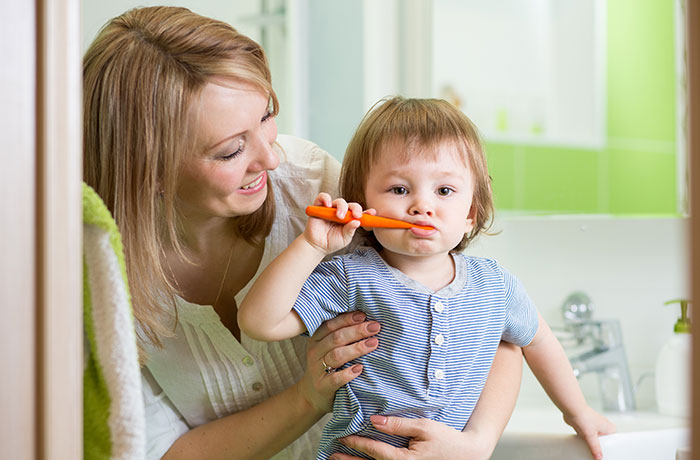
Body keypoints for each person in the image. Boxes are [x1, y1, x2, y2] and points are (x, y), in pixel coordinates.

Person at [83, 7, 525, 460]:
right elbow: (157, 451)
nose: (270, 159)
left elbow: (492, 318)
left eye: (266, 116)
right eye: (231, 151)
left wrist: (476, 443)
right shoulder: (96, 271)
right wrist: (310, 397)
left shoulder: (318, 188)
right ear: (148, 171)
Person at [239, 96, 616, 460]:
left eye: (445, 190)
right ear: (362, 202)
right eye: (399, 189)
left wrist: (576, 411)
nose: (423, 205)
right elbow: (259, 322)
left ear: (472, 212)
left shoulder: (495, 287)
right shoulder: (348, 276)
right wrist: (312, 245)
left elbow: (539, 342)